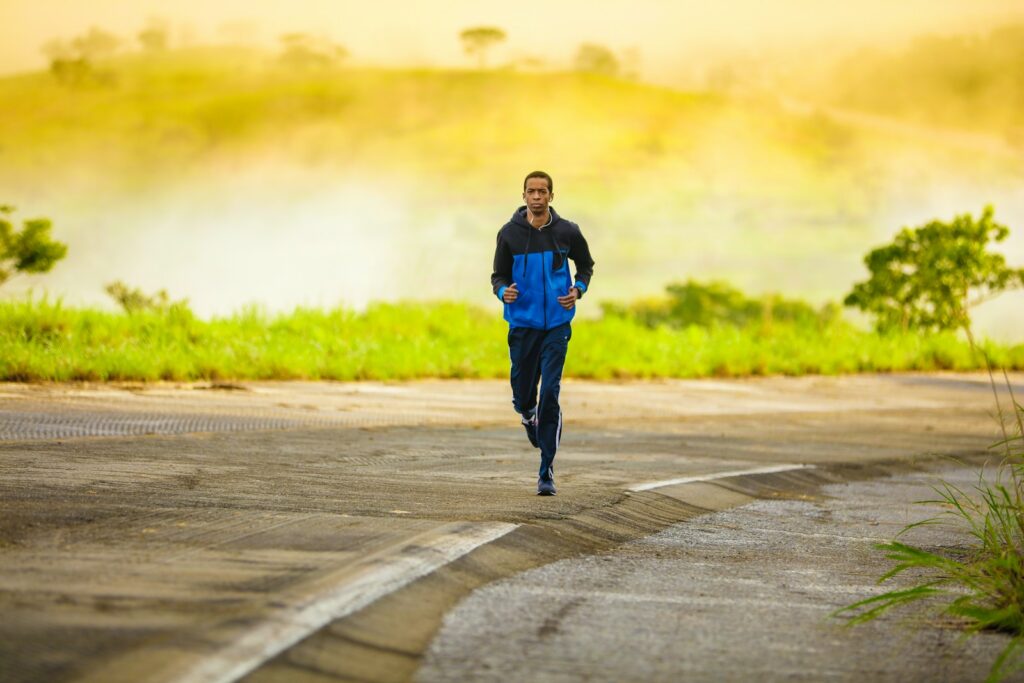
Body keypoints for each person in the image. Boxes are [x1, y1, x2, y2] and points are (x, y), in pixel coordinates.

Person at [491, 170, 595, 496]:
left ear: (552, 195)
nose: (537, 196)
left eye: (542, 191)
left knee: (550, 391)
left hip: (557, 326)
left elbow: (587, 266)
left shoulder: (567, 232)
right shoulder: (508, 234)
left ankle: (546, 470)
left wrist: (577, 290)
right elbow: (497, 276)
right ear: (523, 196)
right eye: (531, 192)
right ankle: (527, 414)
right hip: (522, 325)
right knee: (524, 395)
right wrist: (502, 291)